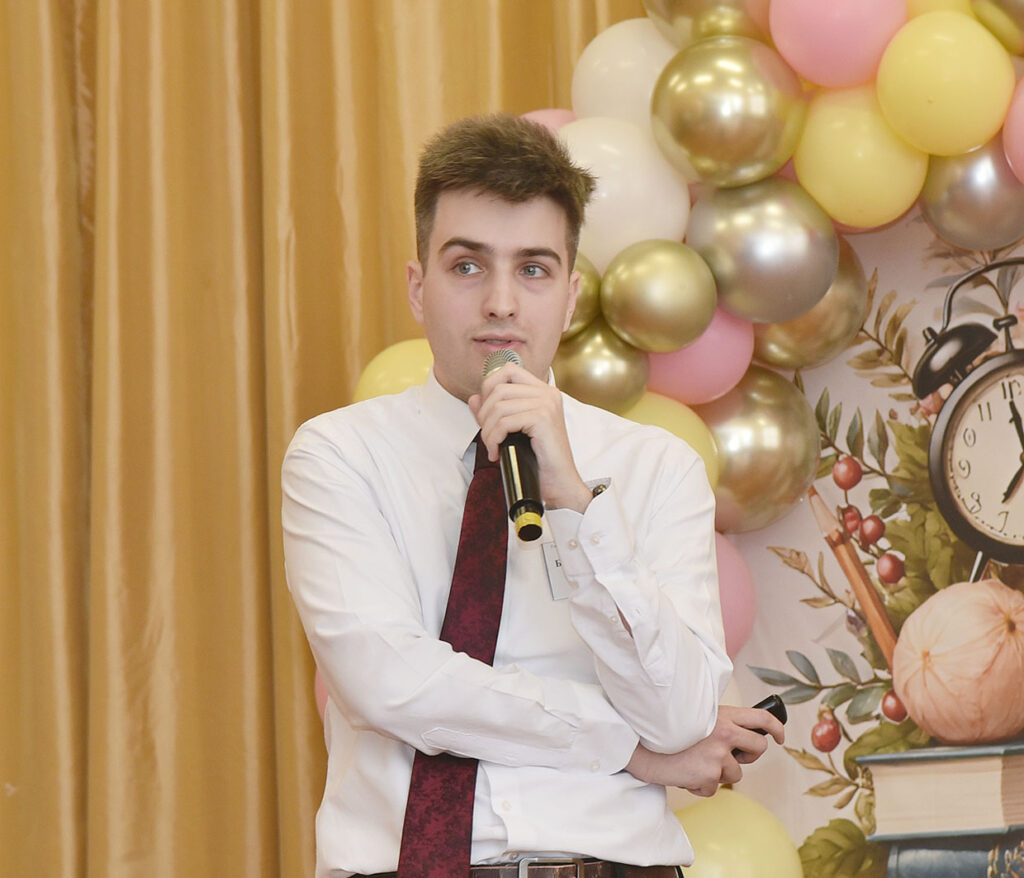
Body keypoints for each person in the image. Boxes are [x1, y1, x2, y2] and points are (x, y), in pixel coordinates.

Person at [282, 113, 785, 878]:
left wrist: (577, 505)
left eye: (534, 270)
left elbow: (681, 714)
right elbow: (392, 684)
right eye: (467, 266)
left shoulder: (656, 466)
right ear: (418, 288)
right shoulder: (339, 455)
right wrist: (629, 747)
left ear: (572, 295)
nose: (501, 303)